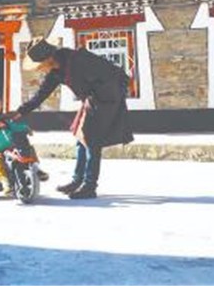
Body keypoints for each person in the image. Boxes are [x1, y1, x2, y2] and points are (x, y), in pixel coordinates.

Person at [13, 37, 134, 199]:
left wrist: (99, 96)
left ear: (49, 59)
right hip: (91, 99)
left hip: (106, 97)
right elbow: (42, 94)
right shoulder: (55, 72)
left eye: (40, 66)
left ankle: (89, 186)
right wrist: (20, 111)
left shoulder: (78, 60)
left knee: (91, 141)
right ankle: (77, 181)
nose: (40, 70)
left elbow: (110, 72)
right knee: (80, 138)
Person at [0, 89, 48, 196]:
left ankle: (35, 167)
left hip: (9, 147)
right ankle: (4, 181)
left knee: (28, 149)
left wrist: (25, 128)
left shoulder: (4, 118)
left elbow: (13, 126)